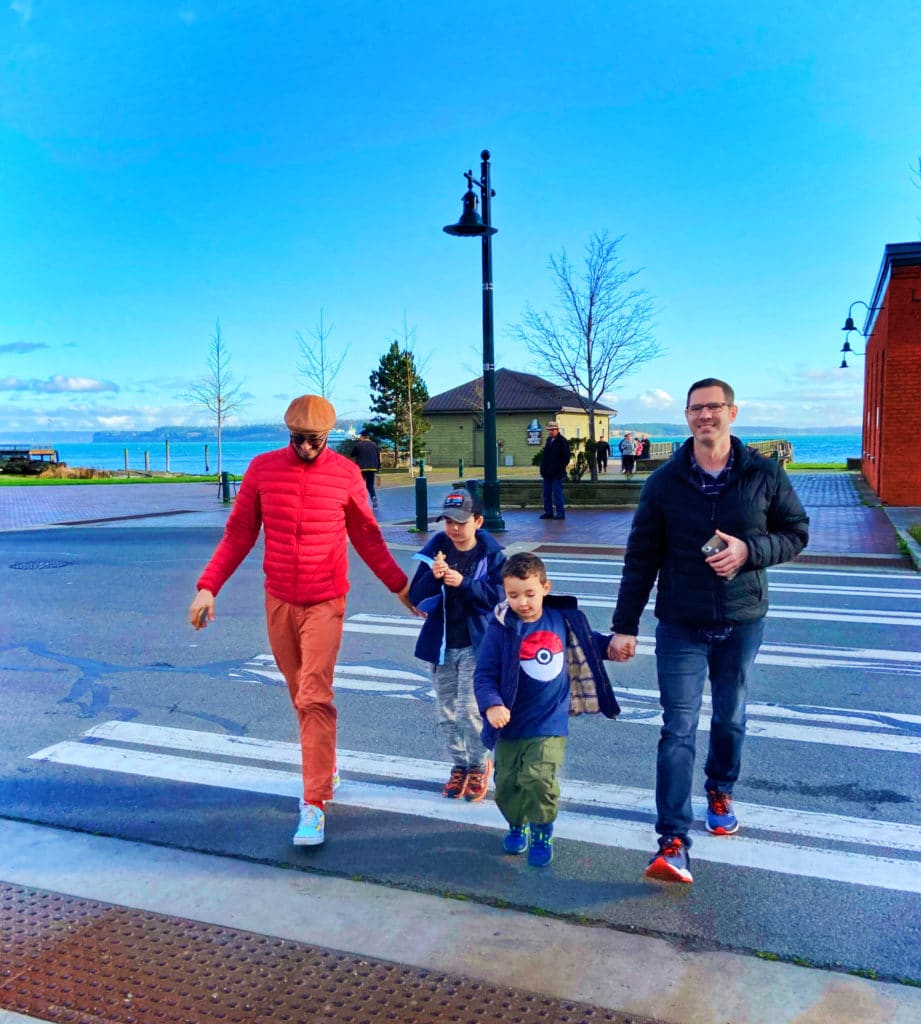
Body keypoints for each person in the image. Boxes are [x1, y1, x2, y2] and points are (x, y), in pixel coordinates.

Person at [188, 394, 419, 849]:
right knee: (299, 695)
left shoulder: (346, 474)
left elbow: (368, 537)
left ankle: (313, 803)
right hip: (279, 600)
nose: (307, 447)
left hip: (326, 602)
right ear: (287, 433)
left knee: (314, 695)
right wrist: (208, 585)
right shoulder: (261, 470)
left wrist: (399, 586)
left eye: (314, 440)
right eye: (298, 439)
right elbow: (238, 534)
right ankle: (325, 763)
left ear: (329, 436)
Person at [609, 378, 809, 884]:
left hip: (742, 620)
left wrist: (749, 552)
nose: (705, 416)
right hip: (681, 622)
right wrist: (624, 626)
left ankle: (720, 787)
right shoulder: (664, 481)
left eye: (714, 407)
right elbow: (640, 559)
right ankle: (673, 840)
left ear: (732, 412)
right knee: (677, 728)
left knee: (730, 717)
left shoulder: (764, 474)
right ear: (687, 416)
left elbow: (796, 532)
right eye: (696, 409)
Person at [474, 553, 620, 867]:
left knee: (539, 778)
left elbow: (586, 641)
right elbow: (484, 673)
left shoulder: (560, 617)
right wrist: (492, 704)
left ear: (545, 587)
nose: (522, 602)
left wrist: (610, 646)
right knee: (508, 785)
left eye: (529, 593)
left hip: (549, 721)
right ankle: (517, 821)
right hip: (510, 724)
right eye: (513, 595)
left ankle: (542, 827)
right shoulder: (500, 628)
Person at [409, 488, 506, 802]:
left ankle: (479, 765)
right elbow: (416, 596)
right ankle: (460, 765)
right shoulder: (437, 548)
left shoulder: (491, 556)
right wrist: (435, 577)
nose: (453, 528)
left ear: (477, 521)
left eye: (460, 521)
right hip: (442, 645)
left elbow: (500, 598)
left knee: (469, 711)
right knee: (447, 713)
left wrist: (463, 583)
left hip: (478, 646)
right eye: (448, 521)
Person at [538, 421, 571, 520]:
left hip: (557, 473)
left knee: (557, 492)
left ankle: (560, 513)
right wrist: (543, 469)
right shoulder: (549, 441)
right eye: (549, 430)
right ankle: (548, 512)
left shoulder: (562, 441)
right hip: (547, 473)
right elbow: (545, 456)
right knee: (546, 493)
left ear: (557, 430)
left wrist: (558, 468)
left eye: (553, 430)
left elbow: (566, 458)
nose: (551, 432)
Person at [352, 430, 382, 508]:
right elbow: (378, 456)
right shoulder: (374, 445)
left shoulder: (358, 445)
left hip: (361, 468)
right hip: (372, 468)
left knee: (360, 485)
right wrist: (378, 467)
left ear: (362, 436)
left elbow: (352, 454)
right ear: (368, 437)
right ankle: (373, 497)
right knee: (370, 485)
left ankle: (362, 502)